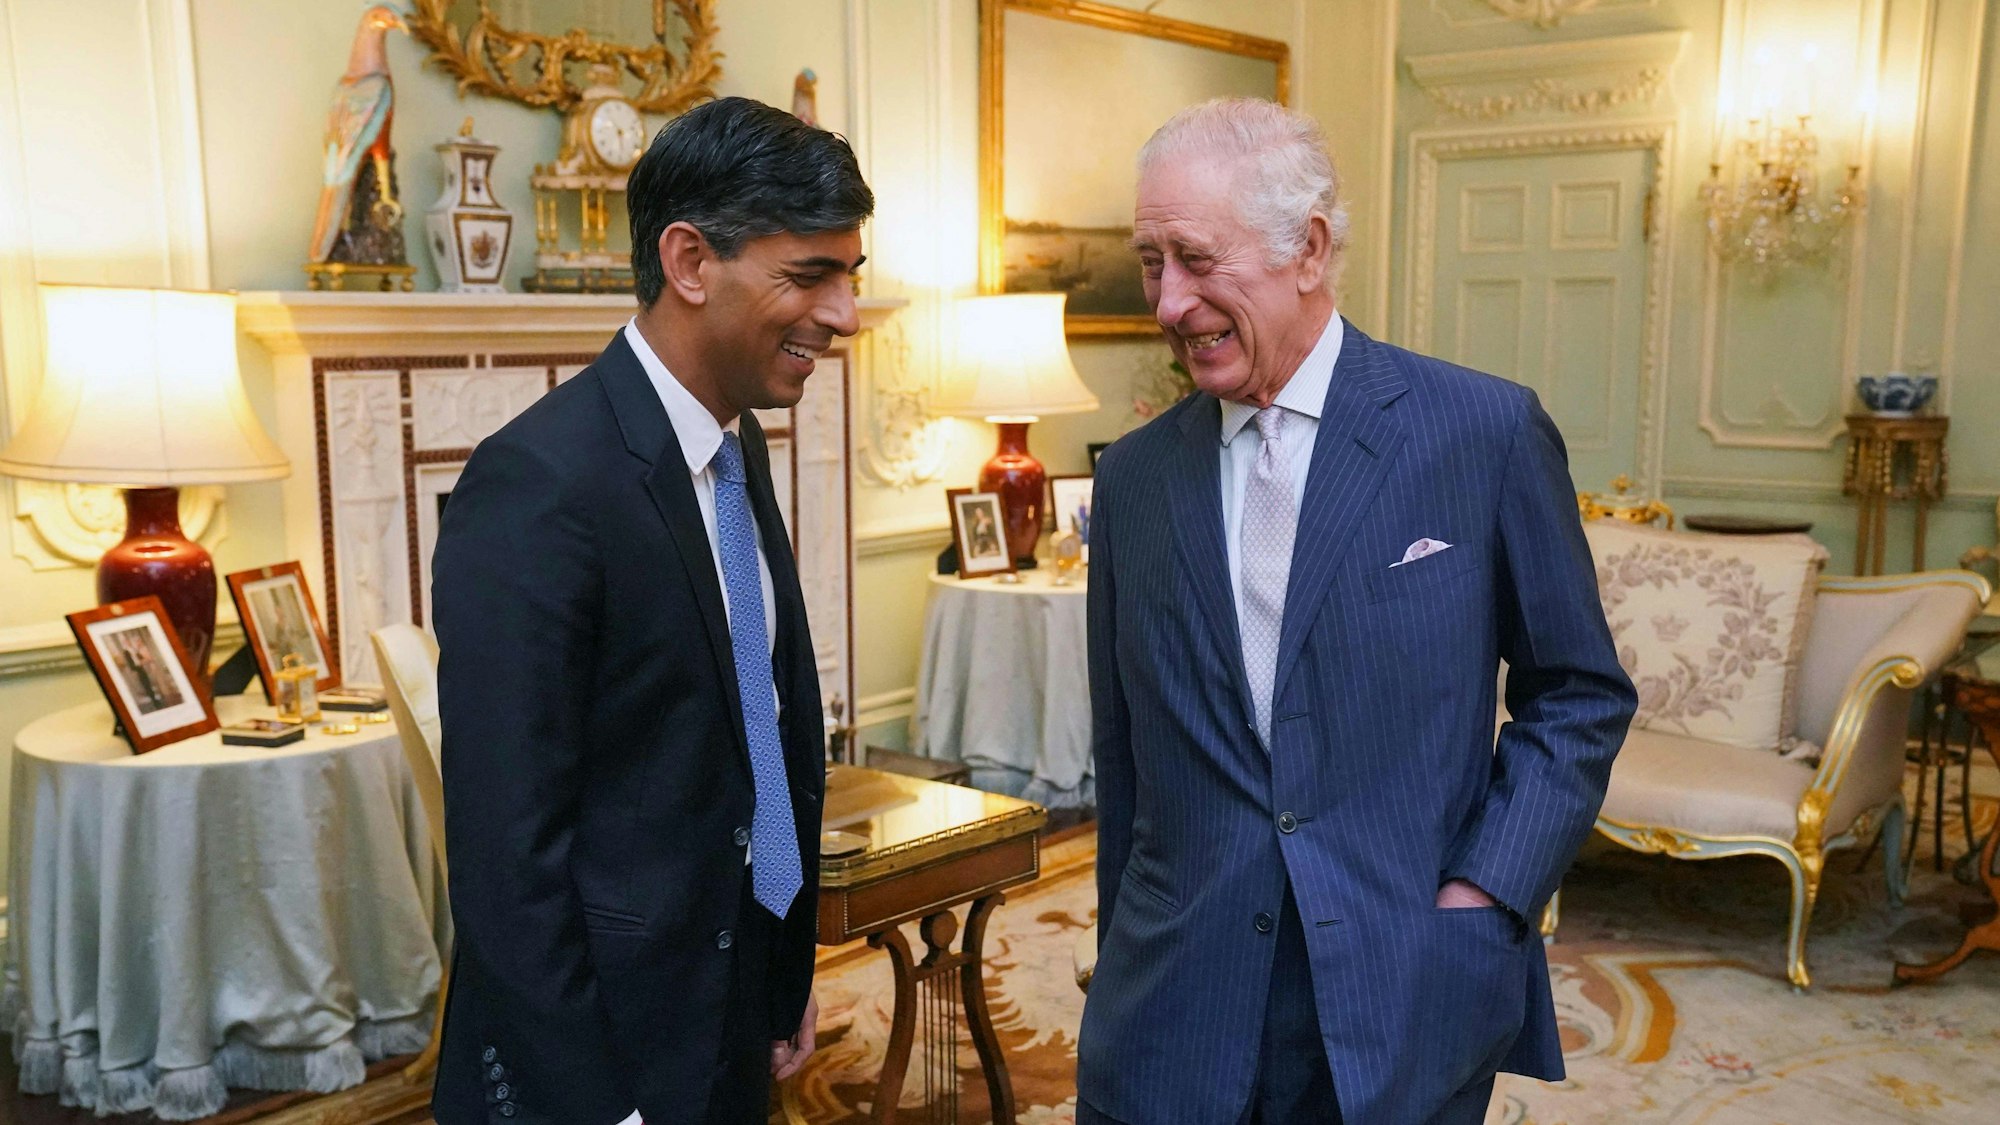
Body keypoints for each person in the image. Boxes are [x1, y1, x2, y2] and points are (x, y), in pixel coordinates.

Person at [1078, 98, 1636, 1125]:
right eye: (1150, 260)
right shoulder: (1134, 480)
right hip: (1172, 1005)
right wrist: (1123, 958)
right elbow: (1126, 756)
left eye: (1196, 259)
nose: (1165, 302)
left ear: (1310, 248)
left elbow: (1578, 694)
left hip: (1400, 979)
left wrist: (1485, 891)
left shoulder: (1480, 432)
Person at [429, 96, 872, 1125]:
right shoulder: (536, 485)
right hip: (595, 1062)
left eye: (849, 275)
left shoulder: (734, 442)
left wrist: (779, 969)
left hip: (723, 1005)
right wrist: (596, 1107)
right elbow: (506, 860)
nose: (844, 314)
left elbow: (746, 728)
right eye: (808, 275)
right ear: (688, 262)